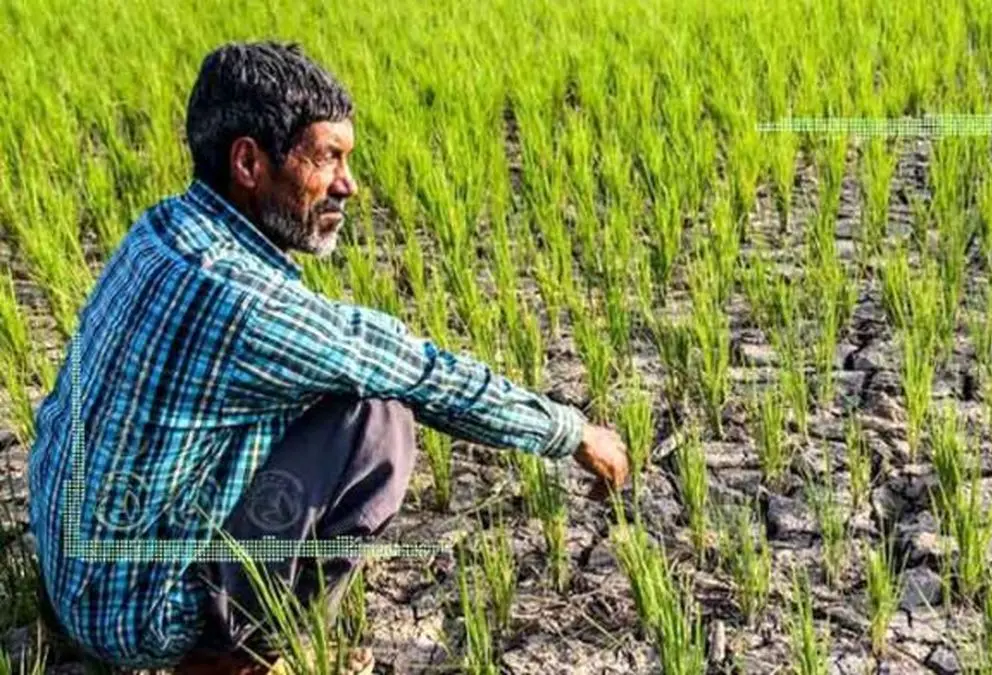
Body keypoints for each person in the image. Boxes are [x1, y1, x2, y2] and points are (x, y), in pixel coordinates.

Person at [24, 40, 630, 675]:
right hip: (138, 618)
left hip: (71, 568)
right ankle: (229, 655)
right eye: (329, 158)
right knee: (377, 422)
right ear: (249, 162)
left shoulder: (159, 231)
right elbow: (420, 372)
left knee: (305, 399)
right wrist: (572, 432)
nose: (350, 184)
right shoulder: (246, 302)